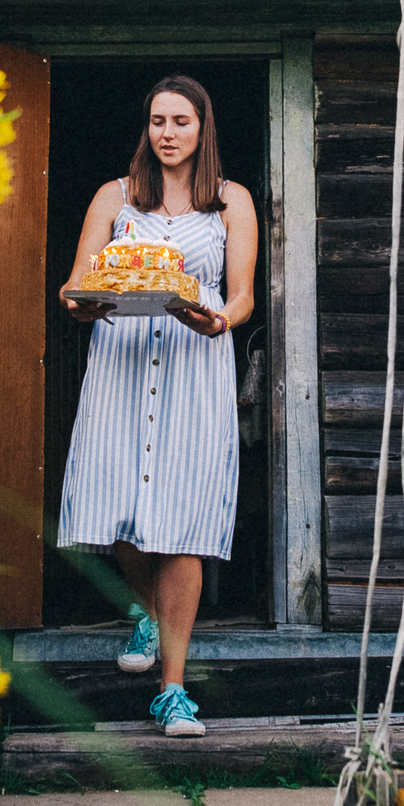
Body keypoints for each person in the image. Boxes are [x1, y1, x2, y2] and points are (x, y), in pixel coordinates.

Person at [55, 75, 258, 739]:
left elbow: (242, 295)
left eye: (181, 121)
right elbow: (76, 284)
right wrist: (82, 301)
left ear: (203, 129)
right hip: (119, 365)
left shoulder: (231, 202)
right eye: (157, 121)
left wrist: (220, 322)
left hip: (196, 368)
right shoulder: (115, 197)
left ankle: (172, 690)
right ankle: (145, 608)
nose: (167, 132)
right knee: (117, 506)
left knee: (184, 522)